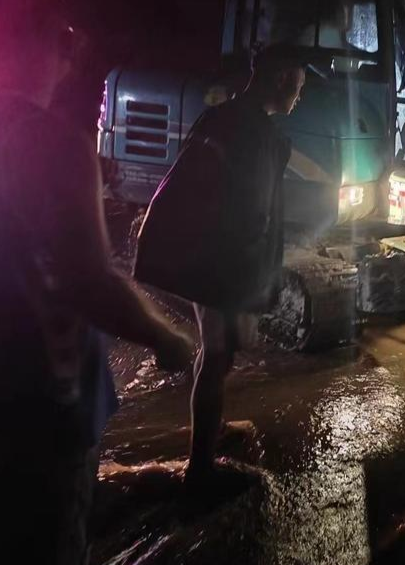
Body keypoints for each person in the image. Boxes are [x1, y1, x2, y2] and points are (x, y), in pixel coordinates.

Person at [0, 0, 196, 564]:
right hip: (38, 406)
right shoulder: (53, 141)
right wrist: (168, 336)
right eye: (69, 40)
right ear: (56, 42)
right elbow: (90, 280)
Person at [134, 43, 304, 491]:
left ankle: (210, 427)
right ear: (283, 79)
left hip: (193, 250)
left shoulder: (224, 116)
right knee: (218, 353)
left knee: (222, 351)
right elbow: (252, 220)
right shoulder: (257, 135)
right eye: (299, 86)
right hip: (217, 261)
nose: (300, 97)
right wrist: (248, 295)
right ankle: (200, 470)